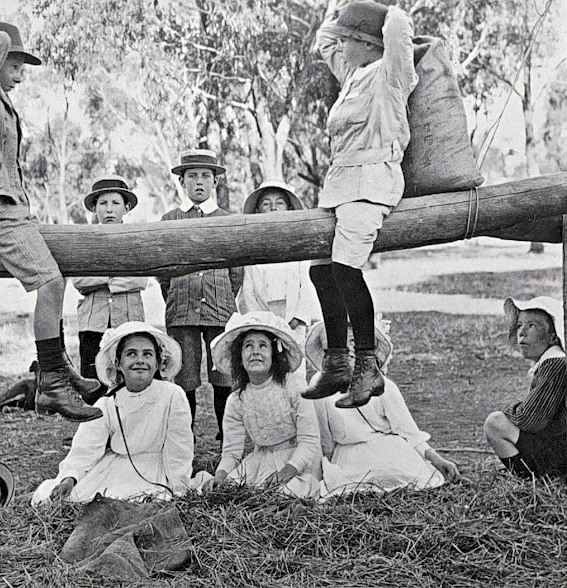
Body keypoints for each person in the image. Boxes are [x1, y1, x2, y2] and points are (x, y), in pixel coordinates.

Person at [0, 20, 100, 422]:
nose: (19, 75)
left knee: (55, 276)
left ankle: (58, 368)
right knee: (50, 282)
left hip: (9, 205)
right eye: (14, 65)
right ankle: (51, 383)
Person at [304, 0, 417, 409]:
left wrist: (380, 11)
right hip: (339, 185)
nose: (343, 45)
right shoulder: (353, 75)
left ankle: (366, 366)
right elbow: (324, 39)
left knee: (345, 268)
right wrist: (342, 10)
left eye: (352, 39)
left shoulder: (391, 76)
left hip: (372, 182)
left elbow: (399, 27)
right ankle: (336, 361)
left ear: (370, 44)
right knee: (319, 270)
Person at [31, 322, 194, 504]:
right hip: (116, 468)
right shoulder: (108, 402)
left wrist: (179, 489)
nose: (140, 360)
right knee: (79, 498)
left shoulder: (171, 394)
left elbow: (179, 448)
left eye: (147, 354)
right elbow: (87, 447)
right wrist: (70, 477)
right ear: (118, 363)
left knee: (146, 501)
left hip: (156, 470)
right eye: (131, 354)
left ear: (157, 363)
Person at [305, 321, 460, 498]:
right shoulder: (320, 384)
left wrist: (437, 460)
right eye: (340, 345)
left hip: (388, 449)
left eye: (355, 343)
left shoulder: (384, 385)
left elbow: (408, 432)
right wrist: (325, 468)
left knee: (395, 476)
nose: (350, 351)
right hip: (349, 457)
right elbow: (324, 438)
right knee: (352, 487)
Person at [159, 149, 243, 439]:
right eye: (192, 175)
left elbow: (236, 272)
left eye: (205, 176)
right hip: (181, 310)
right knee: (185, 376)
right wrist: (177, 297)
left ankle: (227, 436)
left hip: (220, 310)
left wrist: (221, 295)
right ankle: (185, 437)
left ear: (215, 182)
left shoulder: (227, 219)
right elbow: (163, 273)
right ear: (182, 181)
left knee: (224, 373)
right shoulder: (169, 219)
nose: (199, 182)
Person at [199, 312, 322, 498]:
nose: (255, 352)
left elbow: (309, 440)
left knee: (285, 495)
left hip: (299, 461)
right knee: (226, 493)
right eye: (248, 346)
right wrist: (221, 475)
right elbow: (232, 451)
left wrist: (286, 472)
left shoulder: (294, 385)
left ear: (274, 354)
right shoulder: (236, 400)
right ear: (239, 356)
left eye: (263, 346)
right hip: (260, 461)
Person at [73, 175, 149, 401]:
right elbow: (79, 281)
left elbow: (140, 279)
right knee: (92, 378)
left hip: (127, 317)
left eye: (115, 203)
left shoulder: (136, 238)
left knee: (127, 375)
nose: (109, 210)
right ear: (94, 208)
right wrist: (113, 276)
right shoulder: (83, 239)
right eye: (102, 204)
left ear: (126, 208)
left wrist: (98, 275)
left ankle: (127, 429)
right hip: (93, 321)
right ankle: (95, 431)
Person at [237, 179, 320, 369]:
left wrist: (297, 319)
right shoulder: (252, 249)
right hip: (263, 318)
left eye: (279, 202)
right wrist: (262, 323)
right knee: (266, 368)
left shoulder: (299, 246)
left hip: (293, 319)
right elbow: (247, 291)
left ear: (289, 209)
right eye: (266, 203)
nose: (273, 208)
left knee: (293, 368)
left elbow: (306, 284)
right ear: (257, 211)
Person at [483, 296, 567, 479]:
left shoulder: (555, 365)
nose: (522, 333)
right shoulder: (550, 362)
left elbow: (529, 419)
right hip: (556, 447)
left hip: (558, 457)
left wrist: (507, 408)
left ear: (553, 336)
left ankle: (529, 480)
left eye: (532, 326)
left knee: (495, 423)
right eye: (520, 325)